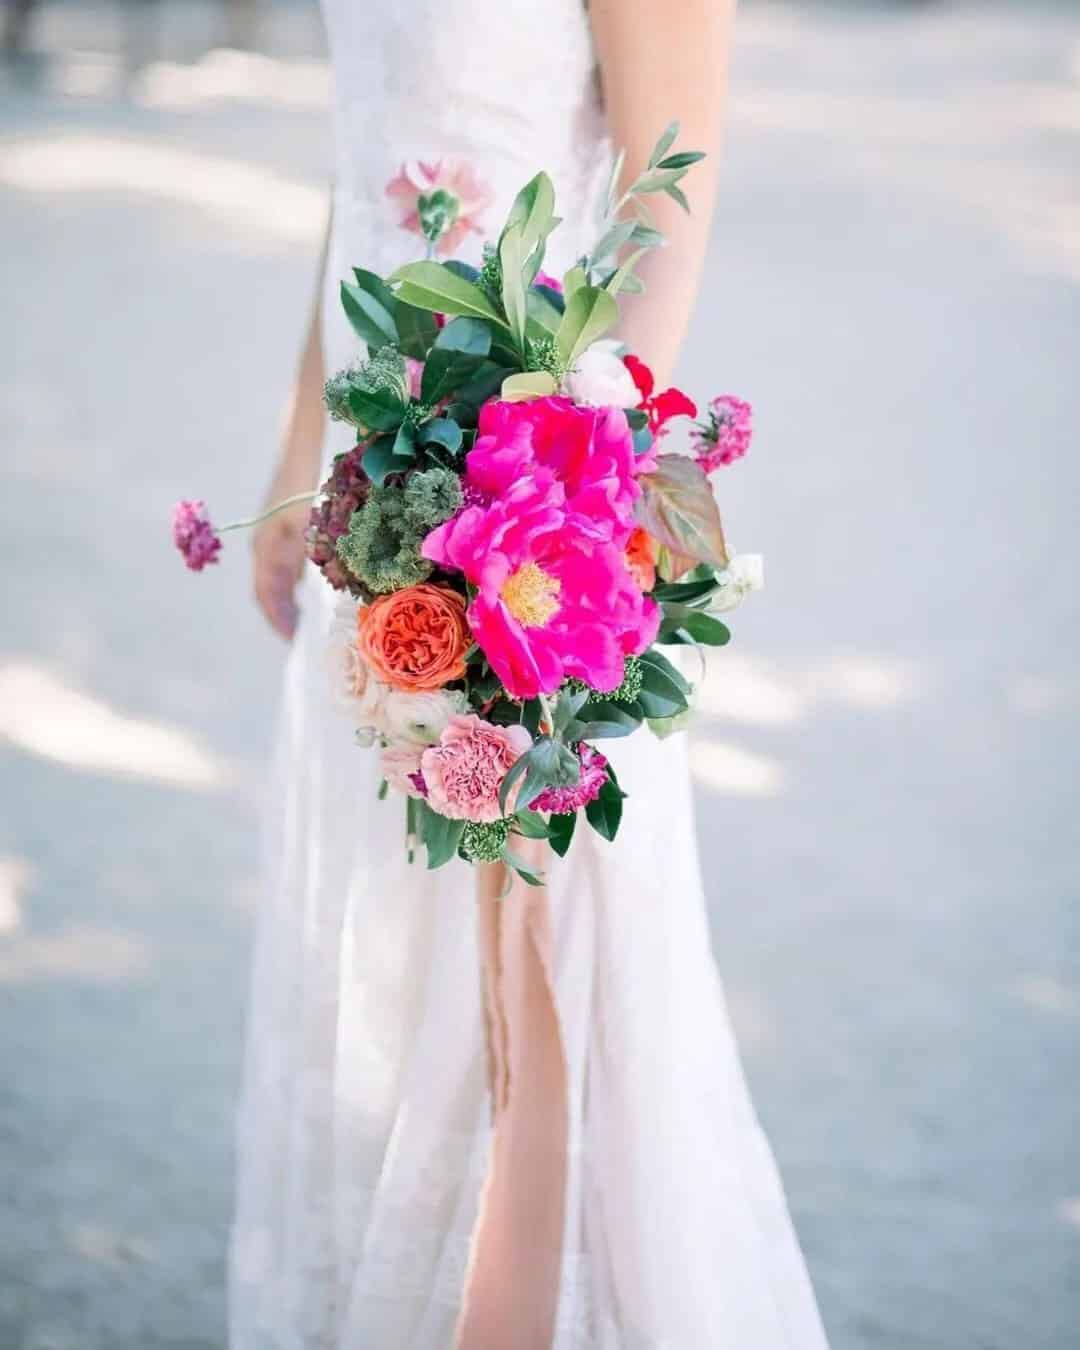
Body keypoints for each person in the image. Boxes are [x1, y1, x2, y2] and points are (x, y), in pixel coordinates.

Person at [232, 2, 831, 1346]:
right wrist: (295, 450)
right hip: (365, 499)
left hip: (520, 528)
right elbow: (363, 170)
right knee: (386, 977)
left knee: (538, 975)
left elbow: (674, 177)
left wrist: (572, 500)